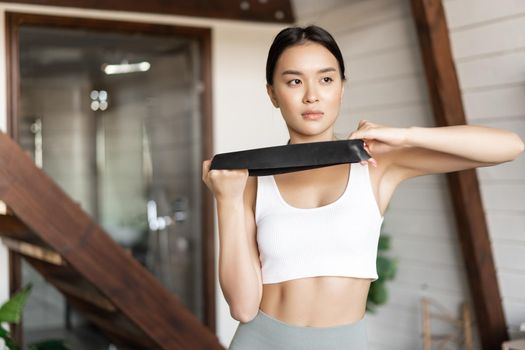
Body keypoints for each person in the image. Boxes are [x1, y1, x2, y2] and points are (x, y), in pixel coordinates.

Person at [201, 25, 524, 350]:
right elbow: (242, 307)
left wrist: (406, 135)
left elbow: (509, 146)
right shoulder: (250, 182)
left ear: (342, 87)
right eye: (294, 81)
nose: (311, 95)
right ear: (273, 92)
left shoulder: (376, 165)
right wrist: (226, 201)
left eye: (326, 79)